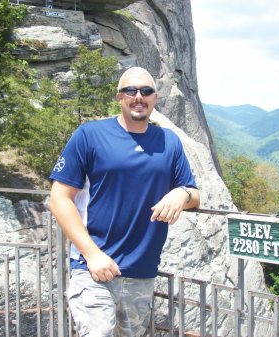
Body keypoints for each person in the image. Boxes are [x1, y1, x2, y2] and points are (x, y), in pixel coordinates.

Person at [49, 66, 200, 337]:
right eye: (130, 90)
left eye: (146, 91)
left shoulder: (169, 142)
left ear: (156, 97)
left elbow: (194, 194)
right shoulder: (90, 135)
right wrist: (92, 254)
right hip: (93, 268)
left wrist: (182, 193)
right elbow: (59, 199)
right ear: (119, 97)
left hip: (142, 273)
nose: (138, 96)